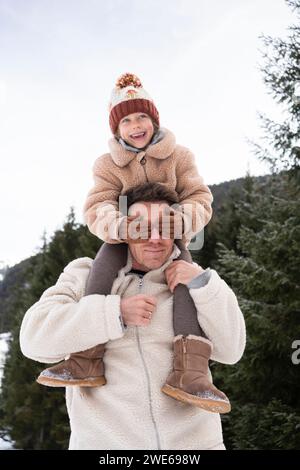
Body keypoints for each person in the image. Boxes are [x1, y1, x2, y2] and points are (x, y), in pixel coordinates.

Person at [36, 72, 229, 413]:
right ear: (116, 129)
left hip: (169, 234)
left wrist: (182, 220)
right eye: (126, 120)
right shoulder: (108, 165)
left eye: (142, 116)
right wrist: (120, 227)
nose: (135, 125)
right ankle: (86, 358)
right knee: (100, 272)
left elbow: (199, 196)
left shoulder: (179, 156)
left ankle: (192, 371)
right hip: (124, 236)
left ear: (154, 119)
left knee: (183, 282)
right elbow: (98, 205)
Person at [20, 183, 246, 450]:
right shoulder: (85, 276)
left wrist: (203, 283)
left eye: (164, 226)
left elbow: (232, 350)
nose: (154, 237)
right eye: (140, 226)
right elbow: (33, 339)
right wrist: (113, 313)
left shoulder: (194, 280)